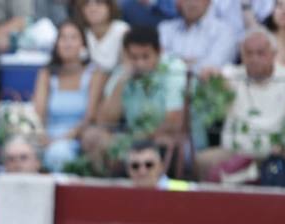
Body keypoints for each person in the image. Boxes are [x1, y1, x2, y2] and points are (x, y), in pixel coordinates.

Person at [195, 28, 285, 178]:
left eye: (260, 53)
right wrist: (210, 77)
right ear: (242, 55)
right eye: (249, 53)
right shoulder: (230, 74)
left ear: (273, 54)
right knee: (201, 160)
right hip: (233, 152)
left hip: (272, 153)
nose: (254, 59)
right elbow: (213, 81)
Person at [83, 26, 186, 173]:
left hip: (166, 140)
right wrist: (123, 81)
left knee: (160, 143)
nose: (140, 63)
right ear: (126, 55)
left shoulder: (174, 68)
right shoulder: (123, 72)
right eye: (134, 57)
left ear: (159, 52)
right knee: (92, 137)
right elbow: (104, 120)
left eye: (145, 57)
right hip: (132, 141)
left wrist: (138, 139)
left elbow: (173, 121)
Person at [32, 20, 104, 171]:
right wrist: (43, 136)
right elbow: (38, 113)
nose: (68, 43)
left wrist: (59, 140)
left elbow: (90, 117)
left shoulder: (95, 73)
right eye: (63, 38)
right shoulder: (46, 73)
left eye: (73, 38)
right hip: (47, 136)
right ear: (56, 44)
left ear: (83, 44)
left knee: (59, 153)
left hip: (77, 138)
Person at [159, 0, 237, 71]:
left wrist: (176, 62)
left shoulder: (224, 31)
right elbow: (157, 61)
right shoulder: (165, 28)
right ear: (179, 2)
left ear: (208, 2)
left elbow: (213, 66)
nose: (192, 3)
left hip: (206, 86)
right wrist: (193, 62)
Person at [76, 0, 130, 72]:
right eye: (86, 4)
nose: (92, 9)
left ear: (109, 7)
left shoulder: (122, 30)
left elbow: (127, 68)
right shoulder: (80, 32)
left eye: (99, 3)